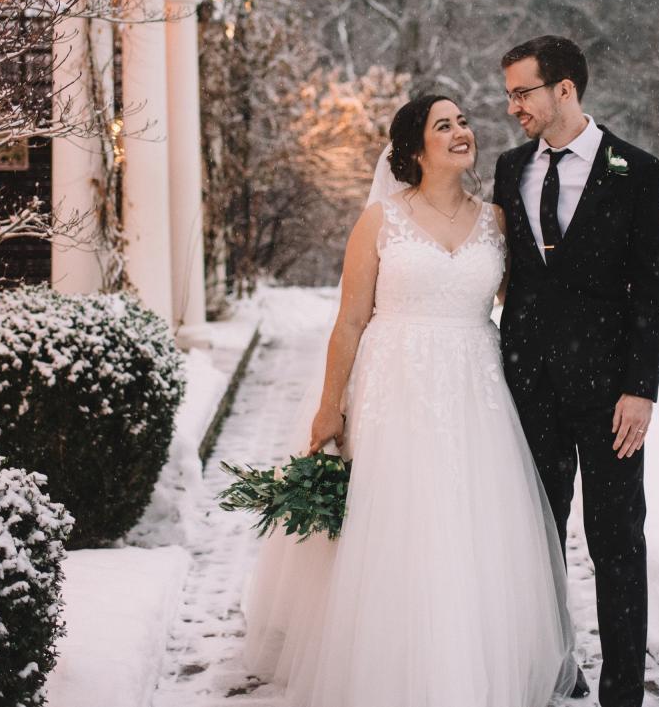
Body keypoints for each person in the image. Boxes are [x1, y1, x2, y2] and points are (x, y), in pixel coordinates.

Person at [240, 93, 576, 707]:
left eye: (464, 121)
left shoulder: (497, 221)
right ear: (415, 149)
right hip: (393, 386)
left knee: (472, 521)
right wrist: (330, 405)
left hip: (476, 390)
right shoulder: (381, 221)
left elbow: (525, 305)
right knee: (398, 520)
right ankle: (389, 667)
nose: (461, 132)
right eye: (443, 125)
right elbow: (349, 321)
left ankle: (469, 664)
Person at [493, 35, 659, 707]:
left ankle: (621, 692)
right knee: (536, 540)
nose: (513, 106)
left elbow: (653, 291)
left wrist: (641, 389)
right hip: (528, 388)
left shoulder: (637, 171)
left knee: (617, 542)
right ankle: (550, 669)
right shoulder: (510, 168)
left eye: (522, 92)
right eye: (509, 94)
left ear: (564, 88)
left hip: (610, 398)